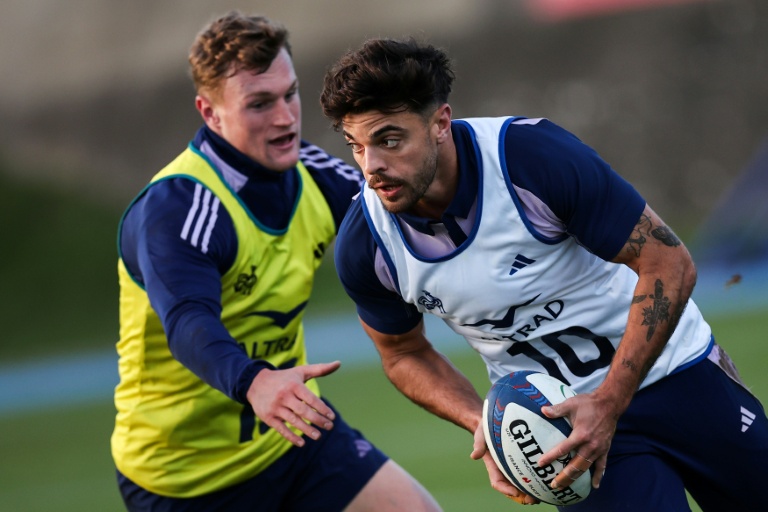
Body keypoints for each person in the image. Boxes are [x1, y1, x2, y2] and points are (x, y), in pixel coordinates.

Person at [319, 37, 768, 510]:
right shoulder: (366, 243)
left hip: (682, 377)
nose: (372, 167)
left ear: (440, 124)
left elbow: (668, 263)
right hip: (566, 434)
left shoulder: (531, 159)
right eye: (356, 146)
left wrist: (608, 403)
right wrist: (485, 425)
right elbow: (403, 352)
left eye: (390, 140)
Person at [111, 14, 441, 512]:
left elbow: (405, 213)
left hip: (293, 434)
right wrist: (256, 382)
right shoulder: (177, 208)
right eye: (260, 104)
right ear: (210, 113)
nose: (285, 117)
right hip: (184, 477)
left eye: (290, 94)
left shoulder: (316, 175)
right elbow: (187, 322)